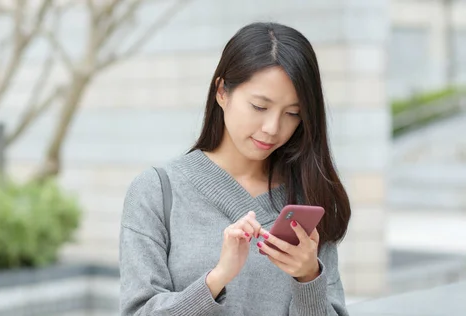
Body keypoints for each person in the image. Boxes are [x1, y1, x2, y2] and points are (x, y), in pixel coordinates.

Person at [118, 22, 351, 316]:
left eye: (293, 114)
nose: (272, 128)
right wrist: (217, 279)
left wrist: (307, 278)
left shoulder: (308, 196)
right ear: (222, 92)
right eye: (259, 106)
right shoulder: (157, 191)